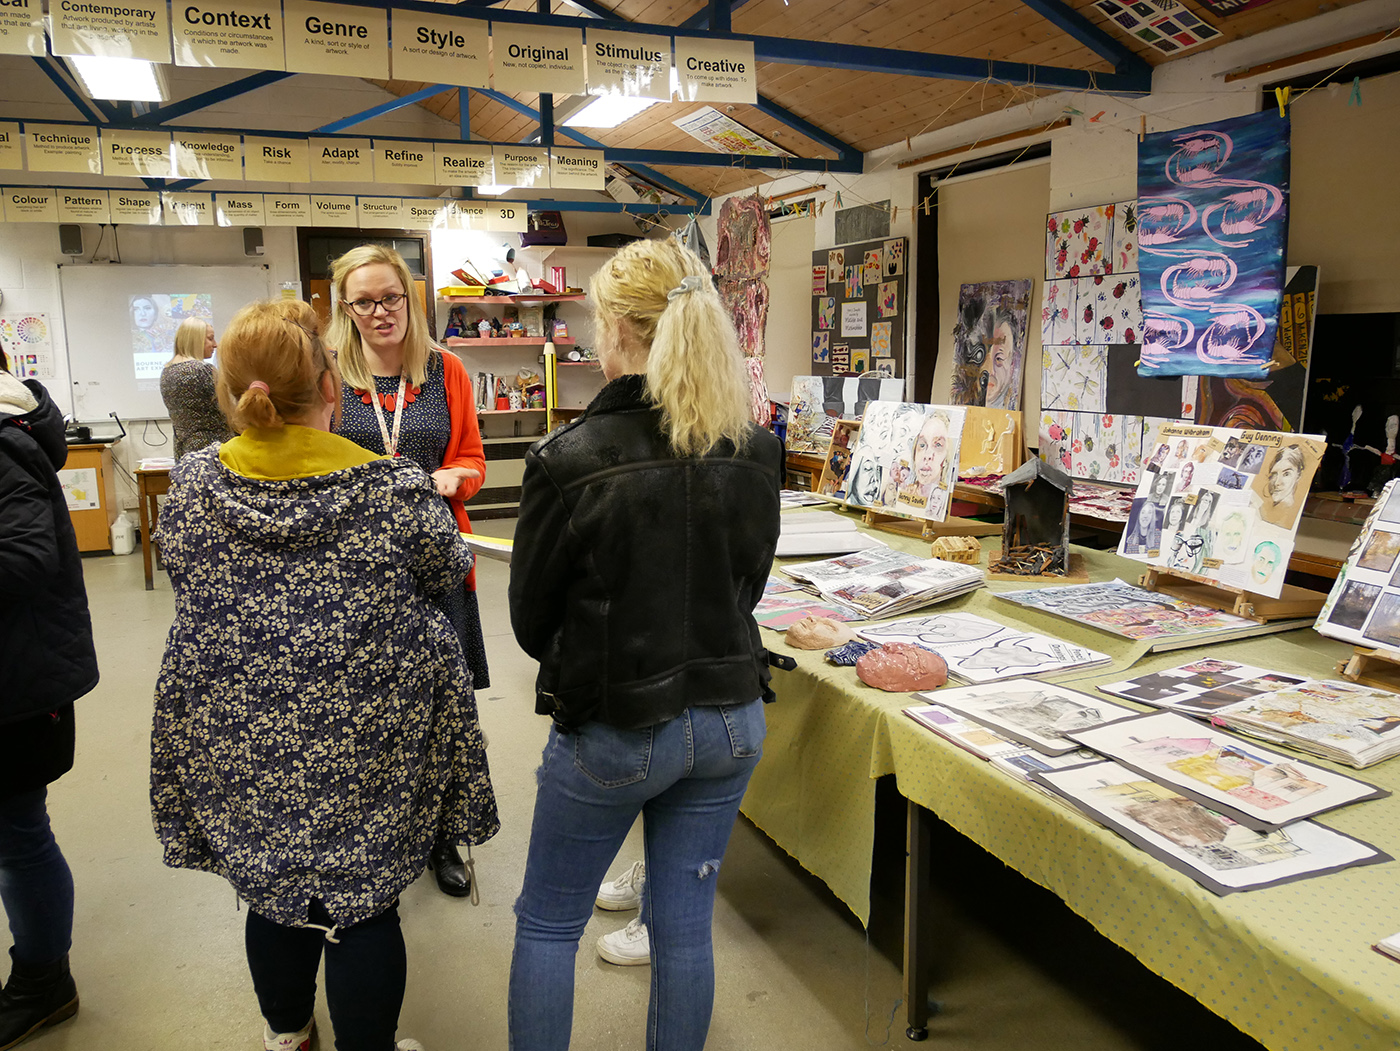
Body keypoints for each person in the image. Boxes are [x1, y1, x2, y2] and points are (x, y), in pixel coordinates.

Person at [150, 300, 497, 1051]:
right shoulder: (393, 488)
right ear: (331, 388)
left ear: (230, 396)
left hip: (245, 725)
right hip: (367, 727)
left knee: (273, 893)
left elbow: (183, 572)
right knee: (365, 903)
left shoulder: (196, 486)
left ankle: (289, 1035)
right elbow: (446, 568)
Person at [508, 238, 782, 1051]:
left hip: (617, 726)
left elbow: (530, 621)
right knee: (685, 927)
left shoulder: (566, 458)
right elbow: (748, 587)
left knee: (549, 923)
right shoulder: (755, 449)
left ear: (619, 330)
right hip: (731, 720)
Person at [327, 244, 488, 899]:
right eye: (363, 302)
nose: (380, 312)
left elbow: (474, 459)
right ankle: (378, 834)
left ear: (409, 298)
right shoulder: (329, 374)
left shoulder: (446, 369)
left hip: (436, 569)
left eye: (390, 298)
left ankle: (443, 835)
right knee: (368, 709)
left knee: (442, 709)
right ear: (346, 307)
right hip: (358, 576)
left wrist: (453, 478)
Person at [0, 348, 96, 1049]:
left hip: (17, 681)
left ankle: (43, 981)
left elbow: (29, 554)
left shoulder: (5, 444)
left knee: (17, 834)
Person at [161, 316, 232, 459]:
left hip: (184, 451)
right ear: (196, 339)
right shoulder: (203, 370)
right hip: (213, 450)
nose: (215, 344)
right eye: (210, 338)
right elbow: (228, 411)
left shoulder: (167, 371)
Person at [1259, 443, 1307, 528]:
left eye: (1286, 474)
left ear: (1298, 475)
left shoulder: (1290, 515)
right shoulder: (1259, 509)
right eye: (1274, 474)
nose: (1277, 482)